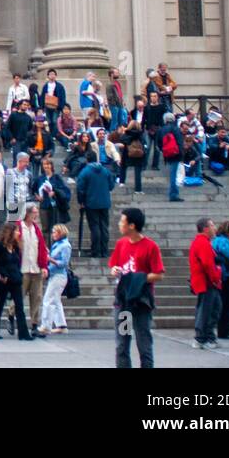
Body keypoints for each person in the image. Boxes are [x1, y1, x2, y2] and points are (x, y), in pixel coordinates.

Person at [109, 207, 165, 368]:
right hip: (124, 302)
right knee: (122, 343)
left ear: (132, 225)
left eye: (122, 221)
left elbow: (159, 274)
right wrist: (115, 270)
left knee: (143, 343)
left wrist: (137, 279)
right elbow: (114, 265)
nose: (120, 224)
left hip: (141, 302)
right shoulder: (121, 244)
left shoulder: (150, 246)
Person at [0, 222, 32, 341]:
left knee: (19, 306)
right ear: (10, 233)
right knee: (0, 305)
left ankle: (23, 333)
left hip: (16, 279)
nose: (19, 233)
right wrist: (2, 273)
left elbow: (17, 262)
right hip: (4, 280)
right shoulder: (0, 246)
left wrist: (19, 274)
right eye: (16, 231)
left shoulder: (16, 247)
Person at [188, 217, 223, 350]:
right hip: (207, 282)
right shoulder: (203, 243)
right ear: (206, 229)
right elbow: (208, 264)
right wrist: (216, 277)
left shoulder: (202, 242)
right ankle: (201, 337)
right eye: (212, 226)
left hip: (206, 281)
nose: (215, 228)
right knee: (207, 310)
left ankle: (207, 336)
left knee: (213, 308)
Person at [16, 203, 49, 335]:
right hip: (22, 269)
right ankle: (12, 316)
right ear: (27, 213)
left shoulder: (36, 229)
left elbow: (42, 249)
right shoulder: (18, 226)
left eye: (36, 212)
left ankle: (34, 324)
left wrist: (44, 267)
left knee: (37, 297)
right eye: (34, 212)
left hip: (36, 269)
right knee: (18, 297)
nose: (36, 214)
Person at [76, 153, 115, 258]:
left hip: (91, 203)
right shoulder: (105, 170)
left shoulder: (85, 172)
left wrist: (81, 201)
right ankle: (104, 251)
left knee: (95, 227)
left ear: (87, 160)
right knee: (104, 226)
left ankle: (96, 251)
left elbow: (80, 189)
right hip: (104, 202)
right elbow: (111, 185)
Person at [36, 224, 71, 336]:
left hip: (59, 275)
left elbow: (64, 263)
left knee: (48, 299)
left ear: (61, 233)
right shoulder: (57, 244)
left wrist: (51, 260)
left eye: (55, 232)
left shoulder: (65, 246)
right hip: (55, 275)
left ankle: (46, 326)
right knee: (55, 300)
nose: (52, 234)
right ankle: (61, 325)